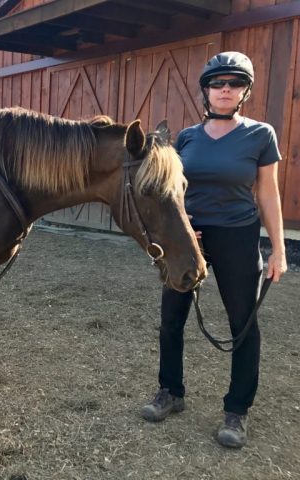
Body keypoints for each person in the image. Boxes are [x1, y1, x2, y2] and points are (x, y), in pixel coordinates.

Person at [140, 51, 287, 448]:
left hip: (237, 236)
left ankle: (237, 410)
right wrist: (181, 228)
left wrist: (279, 249)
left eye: (234, 84)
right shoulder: (186, 137)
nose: (225, 90)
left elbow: (268, 194)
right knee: (171, 317)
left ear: (244, 91)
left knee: (243, 322)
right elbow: (173, 191)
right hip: (191, 237)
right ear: (206, 90)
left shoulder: (261, 135)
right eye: (217, 83)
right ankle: (170, 392)